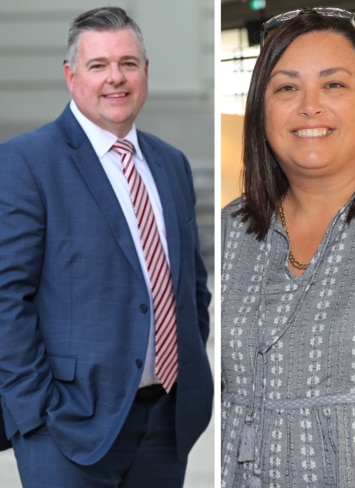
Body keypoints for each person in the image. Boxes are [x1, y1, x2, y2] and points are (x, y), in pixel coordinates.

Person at [221, 7, 355, 487]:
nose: (309, 106)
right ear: (262, 112)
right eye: (286, 87)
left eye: (333, 84)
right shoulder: (229, 229)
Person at [0, 7, 213, 487]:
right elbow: (6, 298)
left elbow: (191, 288)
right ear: (71, 76)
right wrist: (35, 413)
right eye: (98, 66)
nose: (115, 78)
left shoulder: (170, 163)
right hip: (67, 430)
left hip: (165, 424)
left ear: (145, 72)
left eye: (128, 63)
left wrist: (186, 375)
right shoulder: (27, 162)